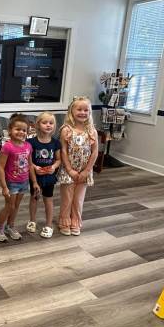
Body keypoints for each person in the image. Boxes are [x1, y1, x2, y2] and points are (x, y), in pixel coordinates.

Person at [0, 114, 39, 242]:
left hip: (23, 182)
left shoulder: (28, 146)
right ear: (10, 130)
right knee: (9, 206)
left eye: (24, 130)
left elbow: (30, 165)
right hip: (11, 183)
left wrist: (34, 182)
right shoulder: (7, 146)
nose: (21, 132)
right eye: (17, 129)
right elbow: (0, 167)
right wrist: (4, 186)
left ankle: (10, 226)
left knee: (16, 206)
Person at [57, 96, 98, 236]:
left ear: (89, 112)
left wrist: (87, 171)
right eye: (79, 109)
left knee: (78, 199)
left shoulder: (92, 131)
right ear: (71, 111)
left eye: (86, 110)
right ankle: (64, 222)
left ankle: (75, 221)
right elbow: (63, 150)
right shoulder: (66, 130)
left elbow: (95, 152)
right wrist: (69, 169)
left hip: (84, 172)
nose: (82, 112)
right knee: (67, 199)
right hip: (68, 171)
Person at [26, 112, 61, 239]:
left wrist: (53, 167)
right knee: (34, 198)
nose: (48, 125)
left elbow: (58, 160)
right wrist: (35, 168)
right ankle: (32, 220)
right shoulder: (31, 142)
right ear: (38, 125)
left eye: (51, 123)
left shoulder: (56, 143)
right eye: (44, 122)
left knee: (48, 199)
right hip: (35, 176)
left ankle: (48, 224)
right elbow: (28, 159)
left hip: (49, 177)